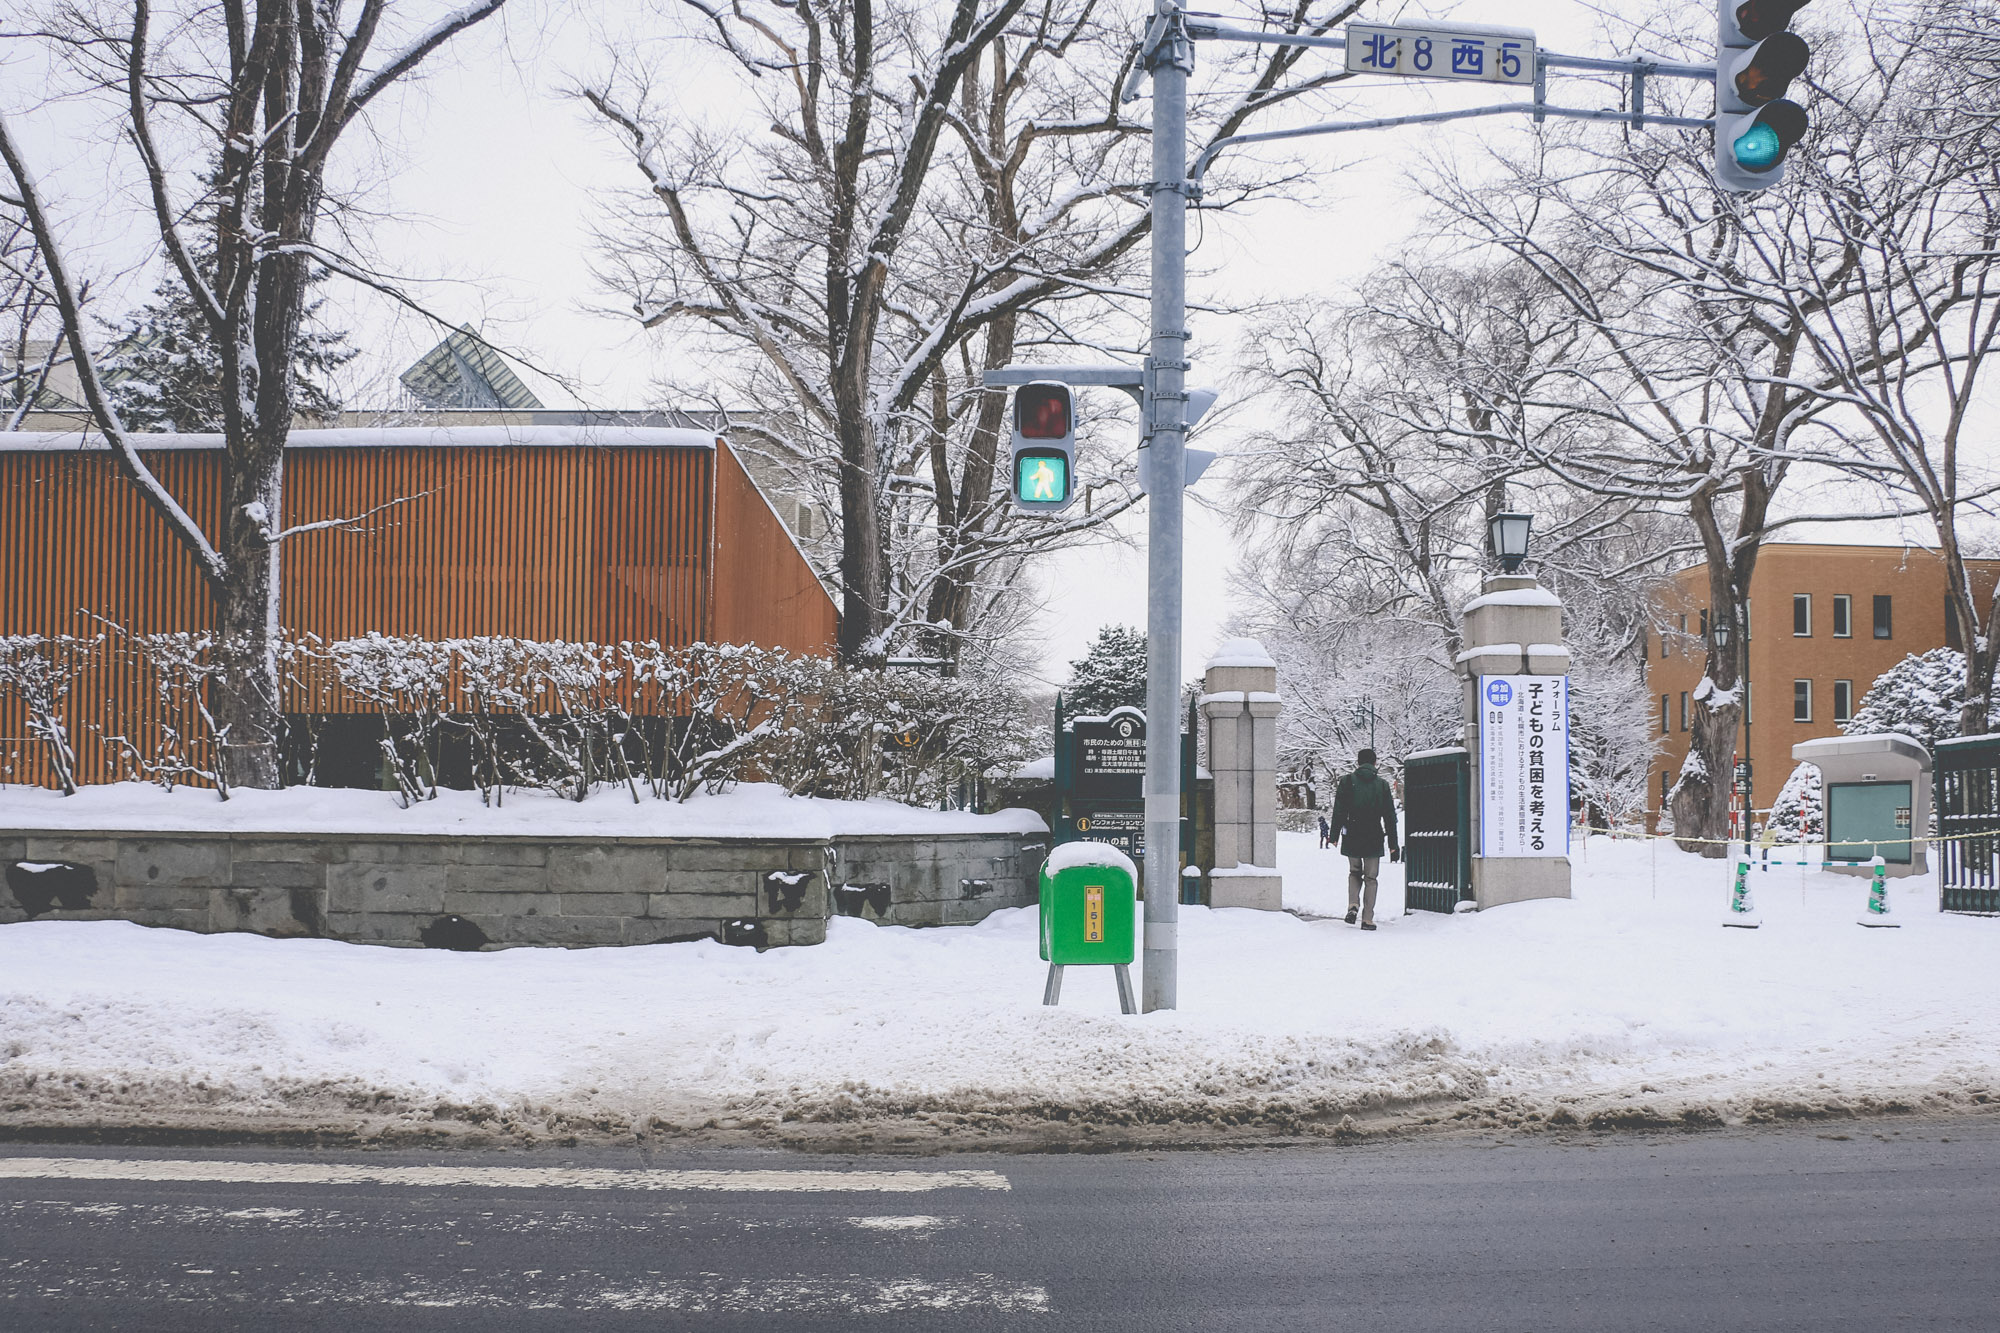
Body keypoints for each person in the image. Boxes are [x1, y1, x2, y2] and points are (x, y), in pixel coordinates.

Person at [1327, 747, 1400, 930]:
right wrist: (1393, 844)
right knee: (1371, 877)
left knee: (1354, 872)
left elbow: (1339, 811)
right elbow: (1390, 816)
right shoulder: (1382, 785)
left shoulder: (1347, 781)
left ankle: (1353, 904)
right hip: (1374, 834)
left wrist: (1334, 835)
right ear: (1375, 763)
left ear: (1358, 763)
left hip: (1352, 833)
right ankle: (1367, 919)